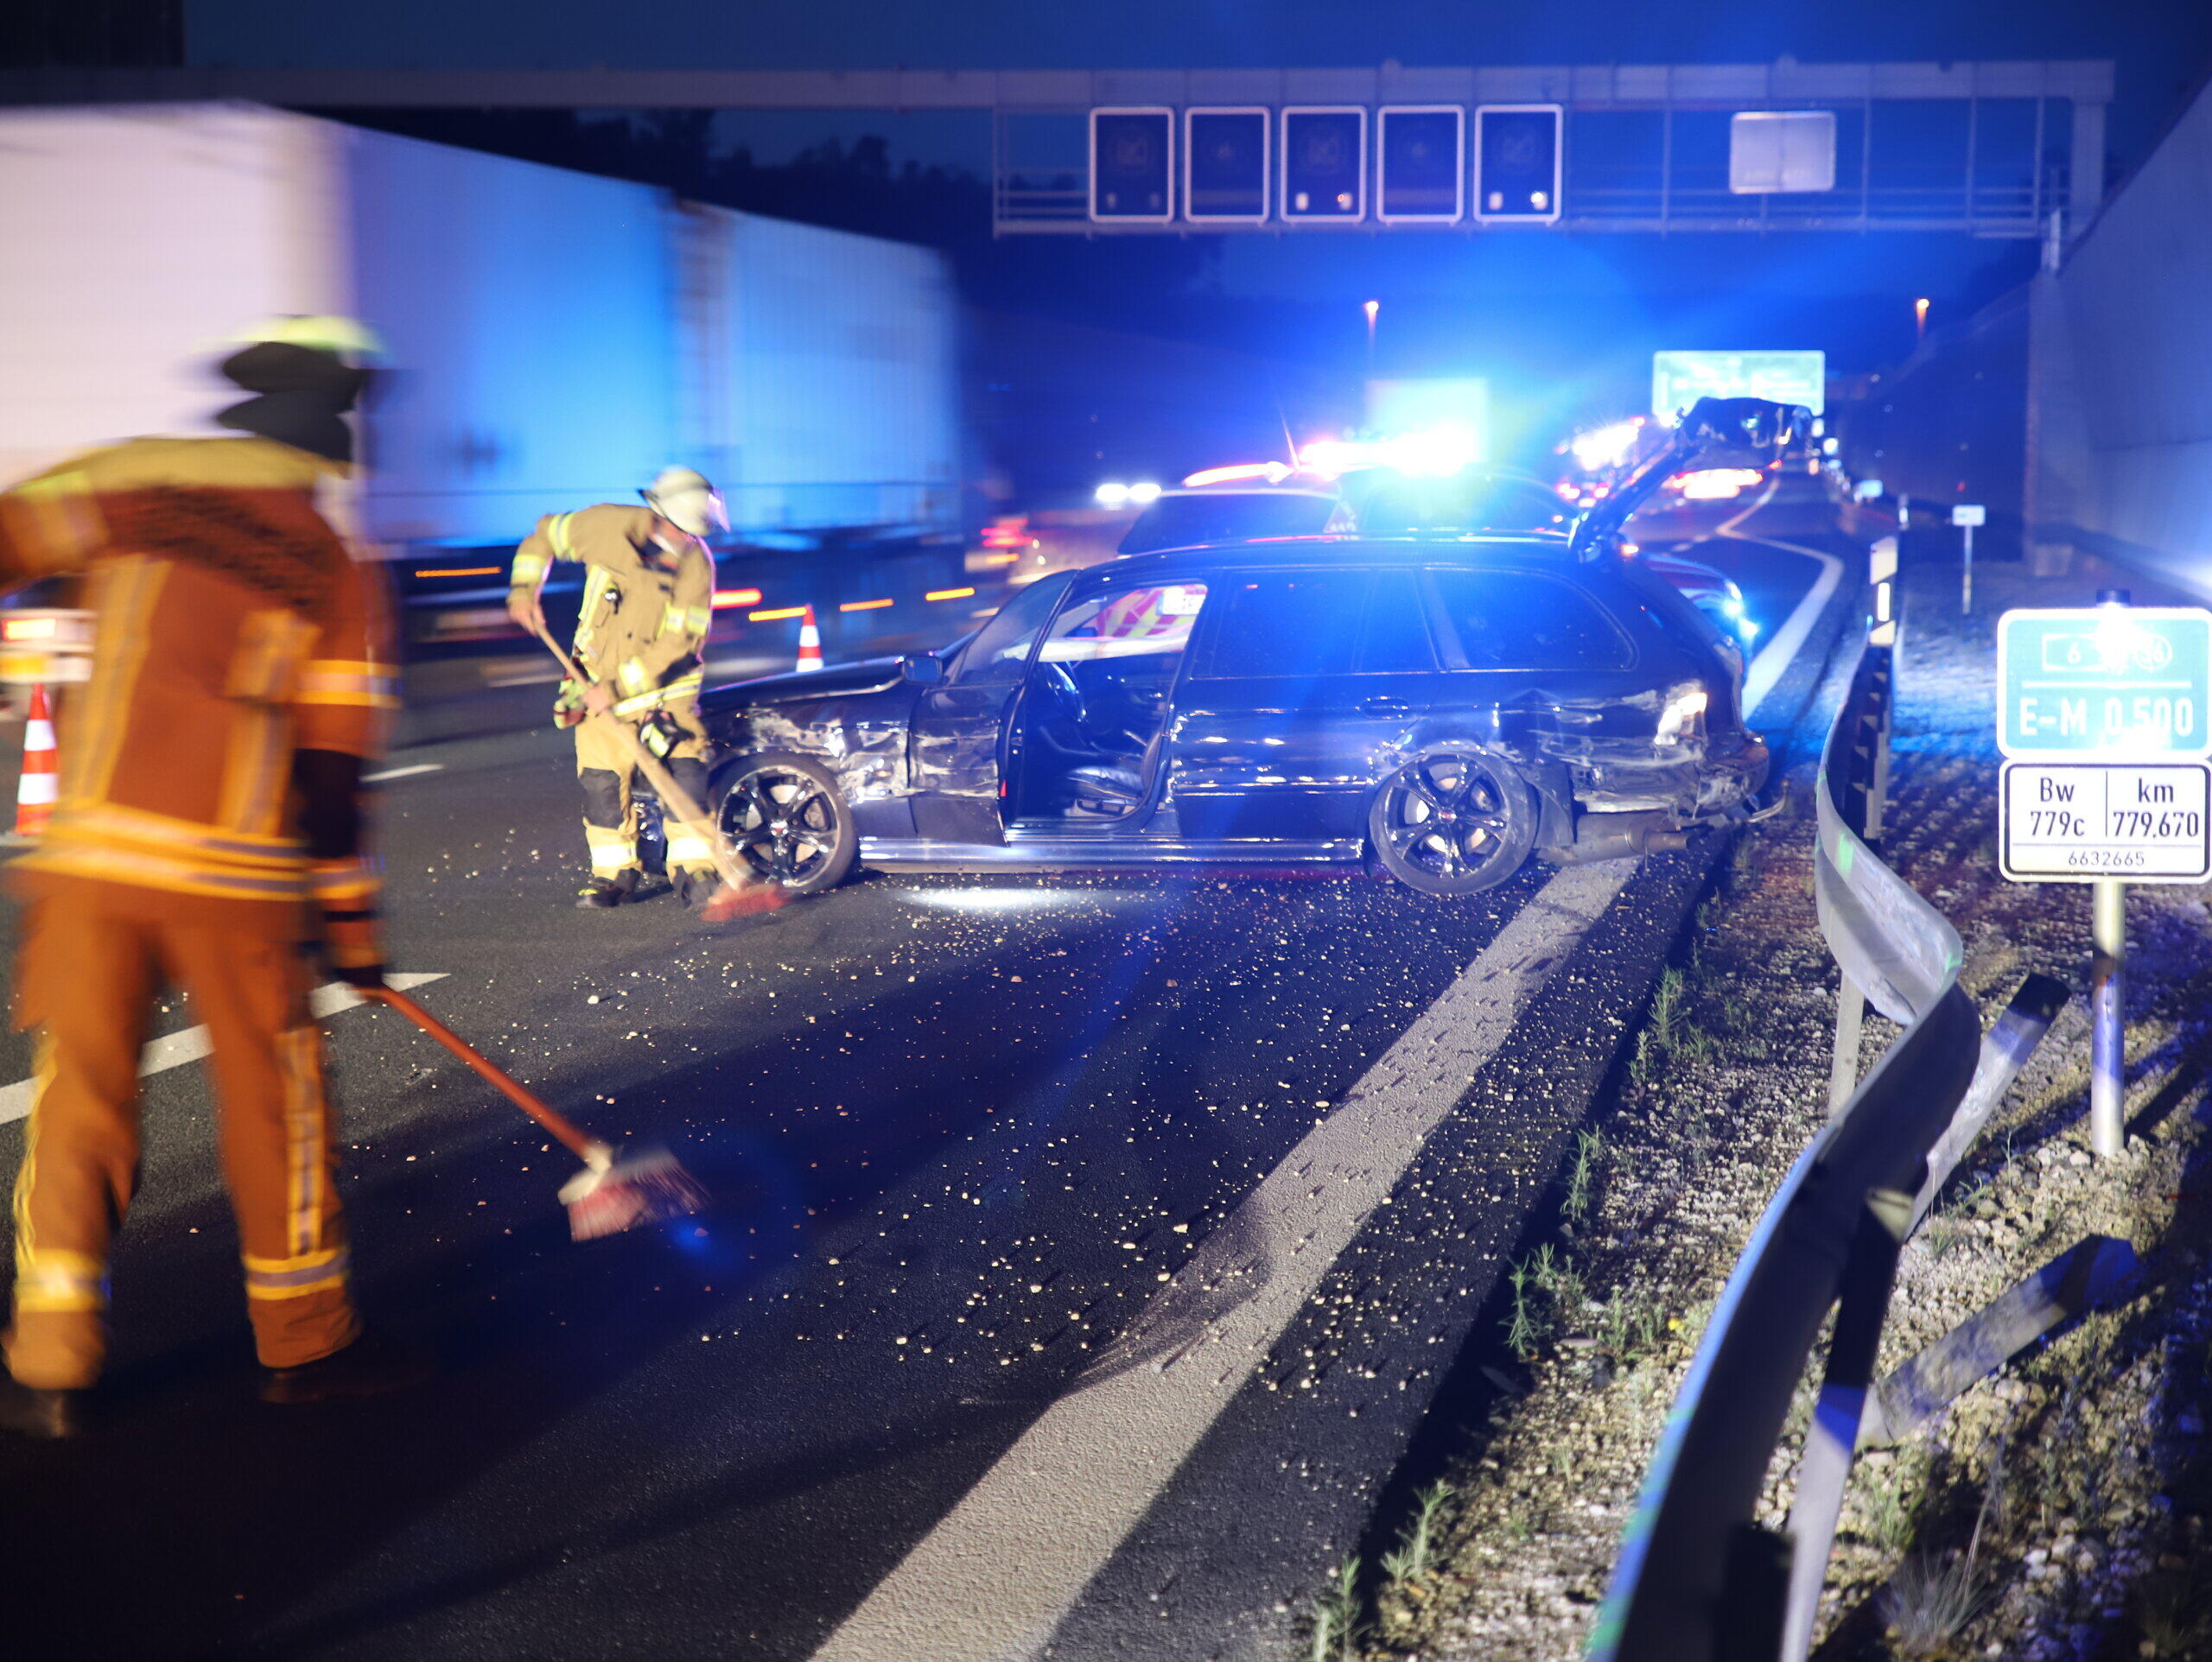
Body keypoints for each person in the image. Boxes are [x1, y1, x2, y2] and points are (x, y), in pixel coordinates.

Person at [0, 317, 424, 1438]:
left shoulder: (129, 486)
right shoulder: (328, 558)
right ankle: (303, 1338)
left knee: (81, 1093)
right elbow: (333, 771)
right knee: (271, 1101)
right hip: (230, 876)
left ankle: (52, 1352)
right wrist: (351, 926)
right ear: (333, 428)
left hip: (89, 862)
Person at [505, 469, 726, 911]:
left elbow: (679, 644)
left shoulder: (696, 567)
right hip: (594, 688)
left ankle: (696, 871)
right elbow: (543, 535)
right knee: (603, 786)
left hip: (666, 695)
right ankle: (613, 876)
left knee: (684, 777)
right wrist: (524, 589)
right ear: (658, 515)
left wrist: (619, 686)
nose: (687, 540)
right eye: (681, 529)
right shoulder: (606, 527)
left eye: (694, 533)